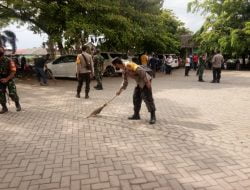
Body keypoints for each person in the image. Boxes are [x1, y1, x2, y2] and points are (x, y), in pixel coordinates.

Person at [112, 58, 156, 124]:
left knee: (147, 98)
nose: (115, 67)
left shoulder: (129, 64)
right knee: (136, 98)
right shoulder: (124, 70)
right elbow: (125, 82)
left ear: (117, 64)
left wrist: (147, 82)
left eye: (115, 65)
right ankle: (136, 115)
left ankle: (153, 116)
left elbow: (141, 71)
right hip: (138, 82)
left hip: (145, 80)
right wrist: (120, 90)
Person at [0, 46, 21, 114]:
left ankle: (17, 104)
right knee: (0, 94)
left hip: (9, 79)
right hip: (0, 80)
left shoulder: (9, 60)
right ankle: (4, 107)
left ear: (3, 51)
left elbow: (13, 71)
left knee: (12, 93)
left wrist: (7, 79)